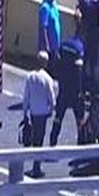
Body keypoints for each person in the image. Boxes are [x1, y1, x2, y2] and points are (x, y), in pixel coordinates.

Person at [21, 50, 57, 178]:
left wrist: (25, 113)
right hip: (43, 113)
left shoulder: (30, 76)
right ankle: (37, 167)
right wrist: (51, 110)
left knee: (33, 139)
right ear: (46, 63)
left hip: (33, 112)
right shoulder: (48, 79)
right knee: (39, 140)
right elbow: (52, 99)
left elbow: (26, 97)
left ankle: (34, 166)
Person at [49, 35, 86, 147]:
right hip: (74, 89)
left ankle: (53, 140)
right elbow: (79, 71)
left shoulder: (64, 44)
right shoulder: (79, 48)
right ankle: (81, 142)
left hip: (63, 87)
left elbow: (57, 61)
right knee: (80, 119)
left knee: (58, 117)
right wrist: (80, 91)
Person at [74, 0, 99, 85]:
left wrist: (79, 26)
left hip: (85, 35)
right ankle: (92, 88)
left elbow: (77, 14)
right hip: (95, 35)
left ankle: (83, 85)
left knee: (83, 61)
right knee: (93, 63)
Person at [37, 0, 61, 66]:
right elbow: (43, 27)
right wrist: (46, 46)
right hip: (48, 48)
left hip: (55, 48)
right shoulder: (45, 7)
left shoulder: (54, 6)